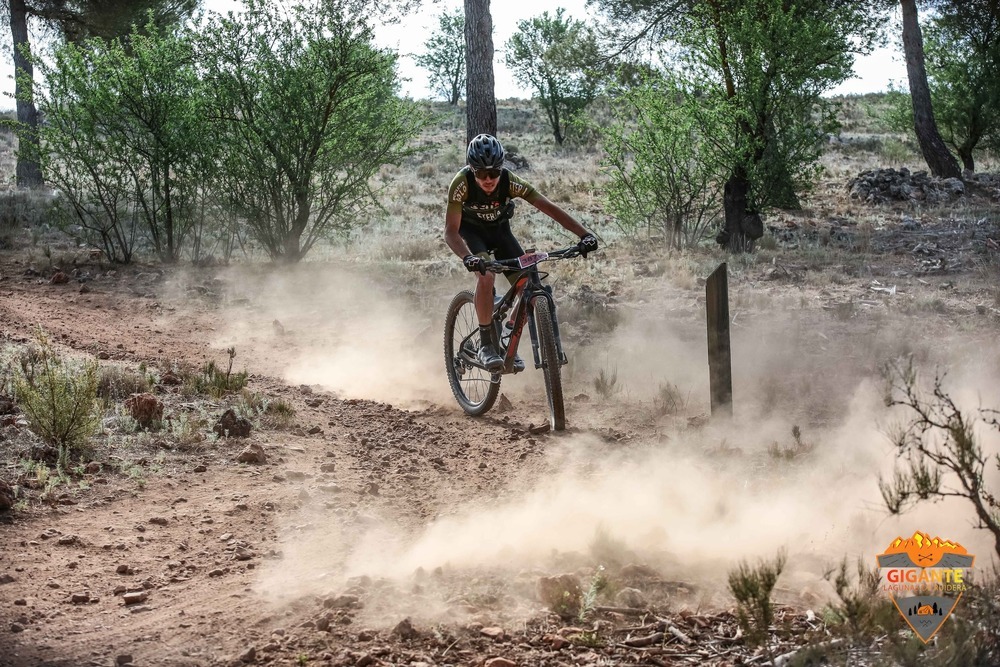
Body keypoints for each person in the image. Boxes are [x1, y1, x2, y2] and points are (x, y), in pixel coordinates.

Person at [444, 133, 598, 372]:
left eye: (494, 173)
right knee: (486, 275)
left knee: (529, 282)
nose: (488, 179)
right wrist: (468, 258)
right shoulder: (461, 183)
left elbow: (549, 208)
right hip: (473, 234)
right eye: (482, 174)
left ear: (501, 169)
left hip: (500, 232)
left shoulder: (510, 181)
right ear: (472, 170)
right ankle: (486, 345)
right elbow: (451, 232)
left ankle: (507, 338)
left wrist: (584, 234)